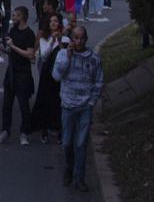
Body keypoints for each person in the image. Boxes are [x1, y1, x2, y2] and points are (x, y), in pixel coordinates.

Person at [53, 25, 104, 191]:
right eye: (76, 37)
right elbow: (56, 76)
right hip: (68, 105)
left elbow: (98, 81)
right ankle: (69, 168)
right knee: (67, 143)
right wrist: (67, 57)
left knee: (81, 144)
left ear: (86, 39)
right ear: (71, 39)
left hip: (85, 106)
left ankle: (79, 178)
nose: (79, 41)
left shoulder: (94, 59)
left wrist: (92, 102)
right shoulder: (62, 54)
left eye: (82, 38)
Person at [0, 6, 37, 145]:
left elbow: (30, 54)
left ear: (22, 17)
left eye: (16, 16)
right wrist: (1, 47)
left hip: (23, 73)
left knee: (23, 105)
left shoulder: (29, 34)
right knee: (7, 104)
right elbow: (9, 50)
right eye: (13, 15)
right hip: (11, 72)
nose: (13, 18)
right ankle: (5, 130)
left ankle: (24, 133)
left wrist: (13, 47)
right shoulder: (13, 31)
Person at [32, 13, 65, 143]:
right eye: (51, 21)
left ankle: (58, 130)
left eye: (56, 21)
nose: (53, 23)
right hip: (47, 74)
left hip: (58, 73)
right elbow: (44, 56)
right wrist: (52, 41)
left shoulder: (63, 38)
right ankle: (44, 130)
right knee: (45, 101)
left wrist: (61, 41)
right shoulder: (44, 38)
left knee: (58, 102)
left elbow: (65, 54)